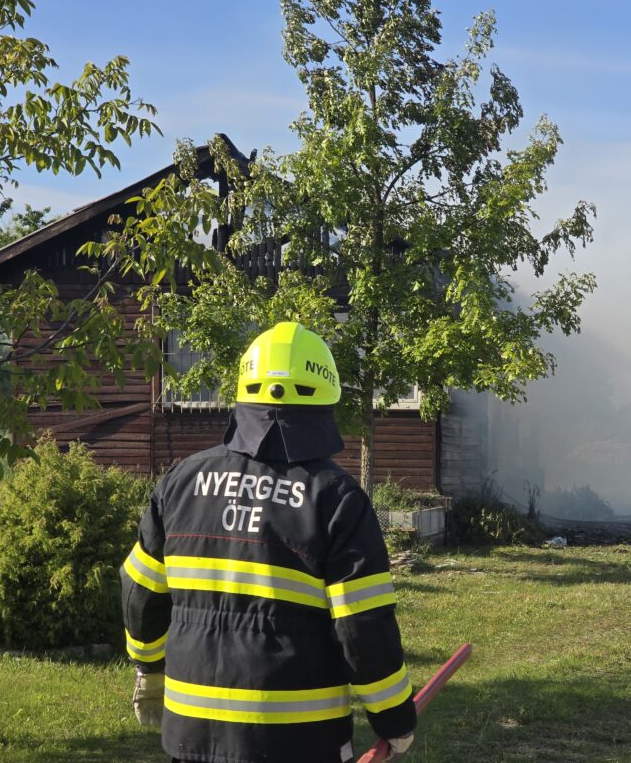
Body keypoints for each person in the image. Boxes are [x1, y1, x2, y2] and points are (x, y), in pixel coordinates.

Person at [121, 322, 416, 763]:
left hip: (191, 732)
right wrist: (394, 721)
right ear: (326, 398)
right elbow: (362, 626)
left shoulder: (180, 482)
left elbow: (140, 592)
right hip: (297, 738)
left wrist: (148, 667)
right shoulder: (336, 499)